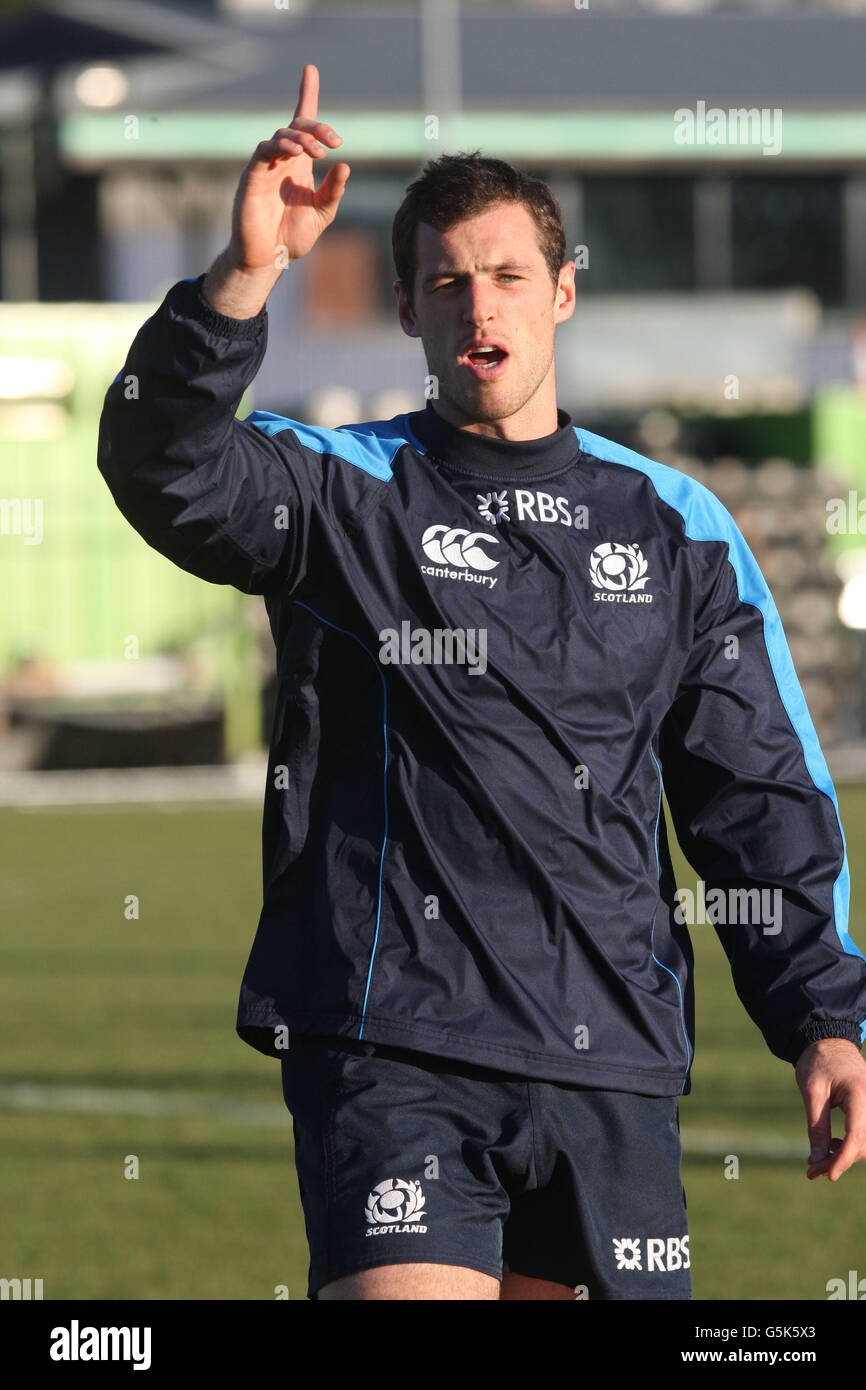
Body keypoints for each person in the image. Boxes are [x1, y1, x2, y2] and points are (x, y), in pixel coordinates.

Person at [97, 63, 866, 1302]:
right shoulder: (341, 491)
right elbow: (158, 458)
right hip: (395, 1041)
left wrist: (823, 1016)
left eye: (506, 274)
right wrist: (246, 275)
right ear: (404, 308)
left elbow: (752, 792)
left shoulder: (678, 525)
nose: (476, 305)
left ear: (560, 293)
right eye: (444, 280)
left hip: (611, 1055)